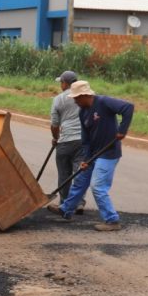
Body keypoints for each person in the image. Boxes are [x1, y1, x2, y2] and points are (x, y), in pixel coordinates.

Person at [48, 80, 134, 231]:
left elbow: (128, 107)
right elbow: (86, 139)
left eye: (76, 98)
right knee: (80, 181)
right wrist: (86, 159)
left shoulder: (104, 102)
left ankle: (112, 220)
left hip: (108, 153)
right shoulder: (83, 112)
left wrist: (122, 130)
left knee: (98, 186)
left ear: (84, 95)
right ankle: (66, 210)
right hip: (93, 154)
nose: (74, 101)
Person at [48, 70, 86, 213]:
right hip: (82, 139)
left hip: (65, 141)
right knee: (79, 172)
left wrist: (55, 138)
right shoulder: (84, 95)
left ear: (65, 83)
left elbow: (55, 124)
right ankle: (79, 202)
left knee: (64, 174)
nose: (60, 85)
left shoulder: (58, 99)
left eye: (61, 83)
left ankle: (64, 203)